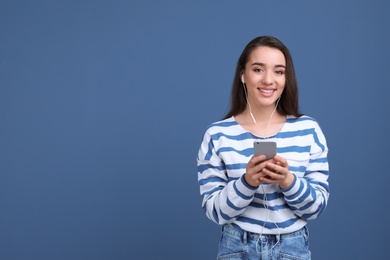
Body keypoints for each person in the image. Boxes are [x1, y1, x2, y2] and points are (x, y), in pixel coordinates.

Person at [196, 36, 329, 260]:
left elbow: (315, 208)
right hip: (236, 247)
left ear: (287, 78)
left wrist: (288, 181)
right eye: (258, 69)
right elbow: (215, 211)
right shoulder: (217, 135)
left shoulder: (309, 130)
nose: (269, 80)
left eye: (279, 71)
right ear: (242, 74)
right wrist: (247, 182)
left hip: (291, 248)